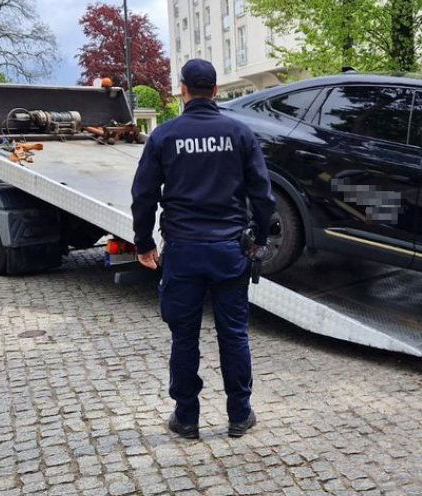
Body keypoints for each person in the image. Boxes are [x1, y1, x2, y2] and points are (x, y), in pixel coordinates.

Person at [131, 58, 276, 440]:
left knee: (184, 336)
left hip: (182, 252)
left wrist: (144, 243)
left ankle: (187, 418)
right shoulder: (240, 134)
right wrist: (260, 240)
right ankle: (240, 415)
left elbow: (143, 195)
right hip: (230, 251)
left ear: (183, 91)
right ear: (214, 91)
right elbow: (263, 196)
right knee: (234, 333)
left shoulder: (164, 136)